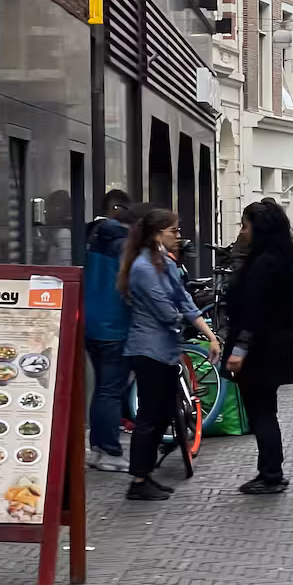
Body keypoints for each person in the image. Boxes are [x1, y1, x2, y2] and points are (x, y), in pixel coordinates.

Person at [119, 208, 220, 502]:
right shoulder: (143, 268)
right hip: (149, 350)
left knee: (162, 413)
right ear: (156, 234)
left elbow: (183, 300)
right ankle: (138, 480)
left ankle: (145, 473)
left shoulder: (163, 262)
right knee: (150, 416)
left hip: (165, 349)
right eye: (173, 231)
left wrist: (209, 334)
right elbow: (166, 308)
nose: (178, 236)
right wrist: (185, 323)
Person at [225, 202, 293, 495]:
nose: (242, 232)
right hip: (277, 344)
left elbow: (253, 312)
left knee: (261, 412)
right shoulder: (283, 259)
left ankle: (270, 473)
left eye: (244, 226)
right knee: (266, 409)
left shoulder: (261, 264)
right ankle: (271, 470)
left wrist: (239, 350)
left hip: (259, 349)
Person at [83, 189, 135, 472]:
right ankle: (111, 451)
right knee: (111, 390)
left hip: (91, 322)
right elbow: (129, 283)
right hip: (114, 324)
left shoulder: (91, 235)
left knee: (101, 389)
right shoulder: (121, 241)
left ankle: (98, 447)